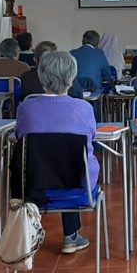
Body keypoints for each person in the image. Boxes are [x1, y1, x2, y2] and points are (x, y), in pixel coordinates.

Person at [15, 51, 98, 254]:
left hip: (35, 187)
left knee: (51, 159)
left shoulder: (25, 108)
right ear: (72, 77)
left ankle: (29, 236)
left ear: (41, 75)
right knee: (73, 162)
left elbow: (19, 136)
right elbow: (92, 136)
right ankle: (71, 236)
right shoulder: (84, 108)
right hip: (79, 189)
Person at [19, 41, 85, 101]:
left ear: (35, 59)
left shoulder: (26, 77)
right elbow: (79, 97)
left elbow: (21, 100)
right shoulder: (67, 78)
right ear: (56, 59)